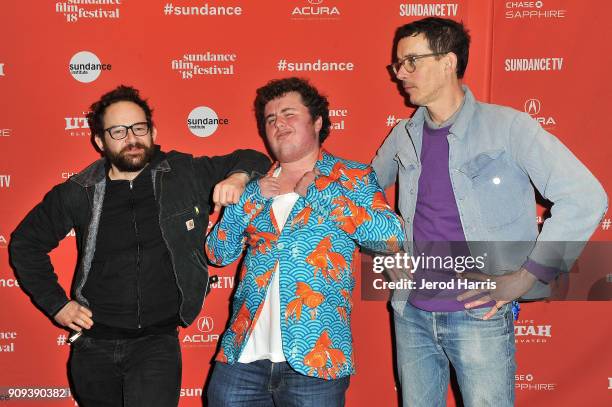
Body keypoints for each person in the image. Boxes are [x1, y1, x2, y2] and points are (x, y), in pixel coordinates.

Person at [372, 17, 608, 407]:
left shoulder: (509, 127)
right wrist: (389, 249)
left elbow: (585, 196)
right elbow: (360, 194)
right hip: (410, 312)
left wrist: (528, 276)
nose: (400, 74)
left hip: (477, 316)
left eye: (411, 61)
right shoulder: (404, 134)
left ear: (448, 62)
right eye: (398, 64)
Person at [9, 85, 270, 407]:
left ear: (153, 131)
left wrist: (239, 178)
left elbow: (254, 158)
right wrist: (57, 305)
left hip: (156, 343)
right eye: (118, 131)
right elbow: (25, 243)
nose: (131, 138)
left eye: (139, 128)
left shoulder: (183, 173)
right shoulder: (80, 190)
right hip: (94, 346)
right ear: (99, 141)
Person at [205, 77, 404, 406]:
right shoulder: (255, 184)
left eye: (289, 114)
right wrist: (247, 201)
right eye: (270, 119)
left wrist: (321, 193)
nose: (278, 124)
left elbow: (391, 237)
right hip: (242, 357)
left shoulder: (351, 177)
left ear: (318, 122)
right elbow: (217, 253)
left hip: (317, 358)